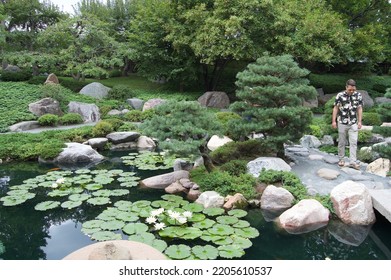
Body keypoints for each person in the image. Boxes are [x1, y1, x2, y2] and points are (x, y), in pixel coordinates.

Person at [332, 79, 363, 170]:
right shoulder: (340, 95)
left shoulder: (358, 95)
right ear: (346, 87)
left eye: (353, 89)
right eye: (350, 89)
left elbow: (359, 108)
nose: (352, 91)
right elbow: (335, 108)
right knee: (341, 142)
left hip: (353, 122)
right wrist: (333, 121)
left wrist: (360, 121)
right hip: (342, 122)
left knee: (353, 142)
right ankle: (341, 159)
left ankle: (353, 161)